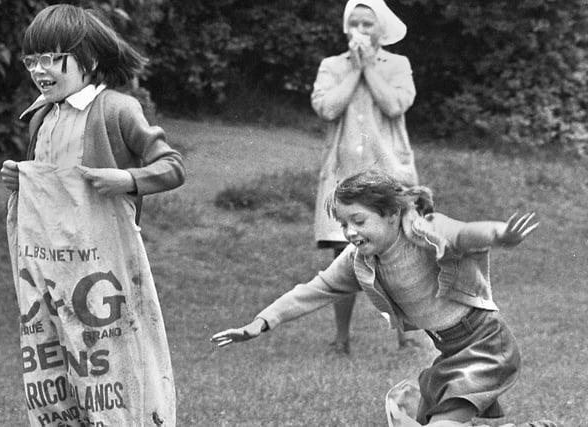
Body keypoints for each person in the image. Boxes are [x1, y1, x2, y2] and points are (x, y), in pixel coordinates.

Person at [211, 168, 554, 427]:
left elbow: (465, 234)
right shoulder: (358, 261)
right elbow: (313, 290)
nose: (349, 232)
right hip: (451, 351)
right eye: (343, 224)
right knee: (417, 417)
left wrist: (501, 235)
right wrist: (261, 322)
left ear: (391, 214)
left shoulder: (425, 231)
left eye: (358, 220)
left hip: (485, 345)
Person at [0, 5, 184, 426]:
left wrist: (128, 179)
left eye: (52, 58)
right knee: (55, 357)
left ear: (90, 60)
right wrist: (18, 179)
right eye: (32, 60)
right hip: (49, 262)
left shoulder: (117, 109)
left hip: (104, 268)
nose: (39, 70)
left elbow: (172, 165)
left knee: (111, 360)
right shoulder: (41, 116)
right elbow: (47, 183)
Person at [311, 0, 419, 354]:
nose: (359, 30)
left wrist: (369, 67)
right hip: (344, 173)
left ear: (380, 29)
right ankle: (341, 339)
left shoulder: (397, 64)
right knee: (343, 253)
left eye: (367, 24)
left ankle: (407, 334)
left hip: (388, 172)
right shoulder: (331, 66)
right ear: (345, 27)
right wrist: (354, 70)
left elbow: (394, 105)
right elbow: (326, 108)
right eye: (353, 23)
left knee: (398, 251)